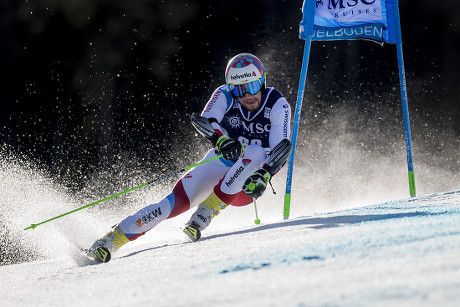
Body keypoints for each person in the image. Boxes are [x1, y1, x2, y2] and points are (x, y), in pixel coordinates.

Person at [86, 53, 292, 263]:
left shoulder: (277, 104)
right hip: (220, 162)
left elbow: (282, 146)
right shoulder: (225, 94)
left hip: (246, 184)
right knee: (167, 206)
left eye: (252, 86)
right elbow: (202, 120)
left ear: (263, 81)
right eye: (239, 89)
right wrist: (220, 140)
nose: (247, 95)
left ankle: (206, 212)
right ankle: (111, 240)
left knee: (256, 152)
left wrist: (265, 174)